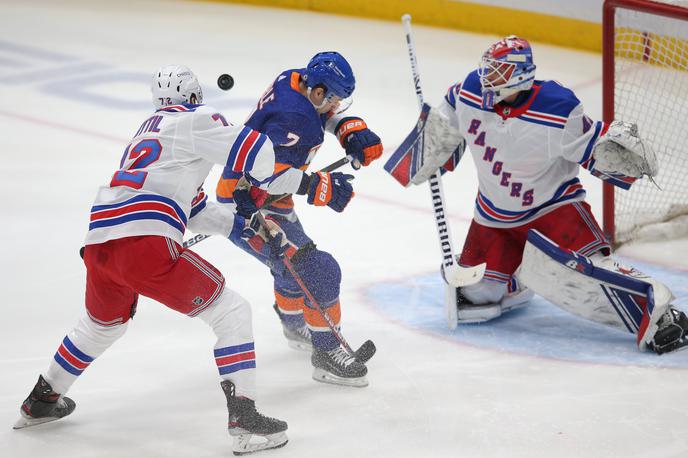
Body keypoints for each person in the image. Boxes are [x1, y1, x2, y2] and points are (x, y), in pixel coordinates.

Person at [14, 65, 290, 455]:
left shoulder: (147, 132)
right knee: (233, 313)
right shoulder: (199, 118)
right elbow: (260, 155)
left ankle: (40, 400)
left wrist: (243, 228)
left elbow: (191, 208)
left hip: (100, 245)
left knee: (100, 327)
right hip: (144, 244)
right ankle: (245, 420)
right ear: (194, 97)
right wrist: (254, 185)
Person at [420, 36, 687, 354]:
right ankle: (518, 275)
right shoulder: (467, 93)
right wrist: (429, 143)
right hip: (494, 218)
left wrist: (615, 151)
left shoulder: (557, 106)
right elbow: (439, 132)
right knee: (476, 295)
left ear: (521, 75)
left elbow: (592, 147)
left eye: (498, 72)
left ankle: (663, 314)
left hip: (554, 212)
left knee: (585, 278)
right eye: (488, 70)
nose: (487, 79)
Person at [216, 52, 383, 387]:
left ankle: (295, 324)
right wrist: (316, 186)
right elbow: (262, 176)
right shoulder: (297, 120)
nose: (337, 108)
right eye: (335, 100)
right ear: (319, 92)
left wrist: (348, 130)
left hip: (264, 200)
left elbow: (319, 116)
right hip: (250, 208)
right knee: (319, 271)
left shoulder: (294, 78)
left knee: (291, 265)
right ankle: (326, 356)